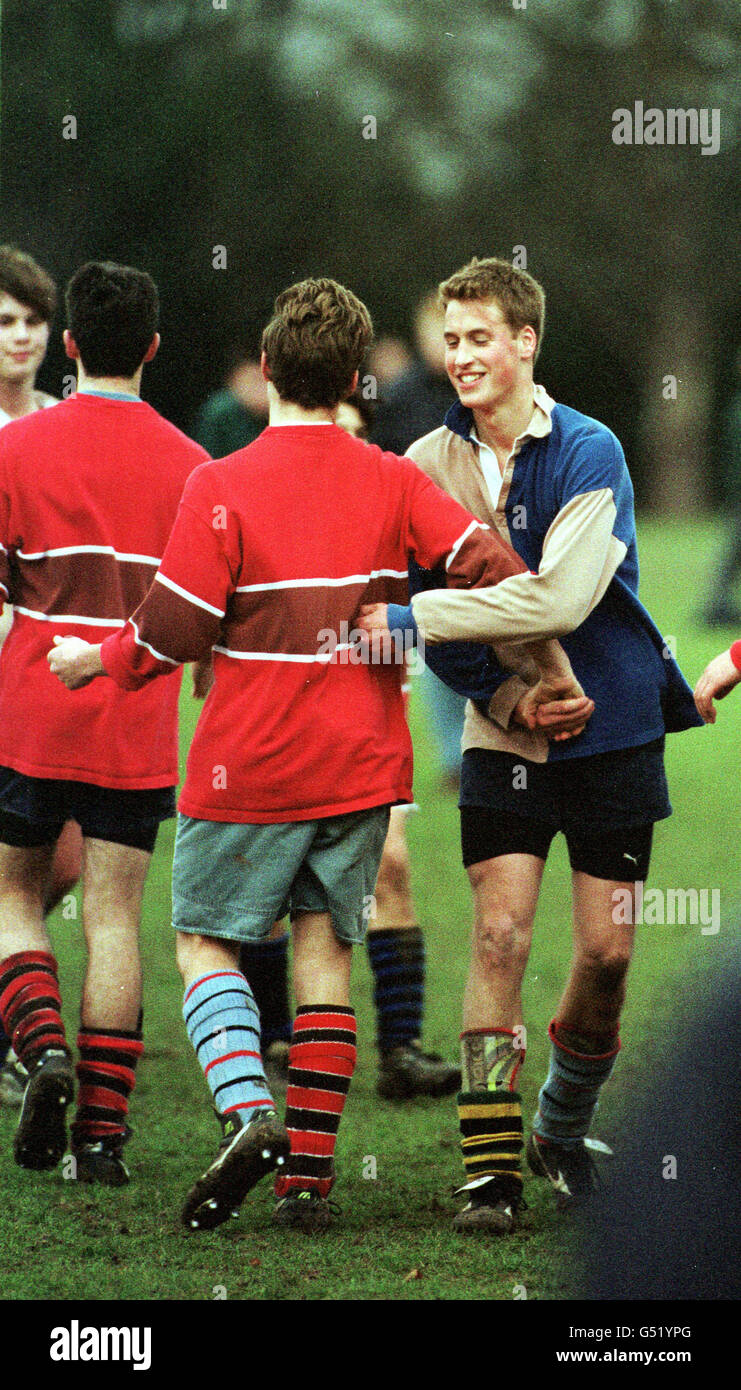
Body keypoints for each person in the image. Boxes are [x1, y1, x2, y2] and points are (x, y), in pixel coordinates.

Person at [49, 275, 591, 1234]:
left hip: (244, 767)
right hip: (361, 769)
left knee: (204, 943)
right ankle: (306, 1179)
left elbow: (174, 629)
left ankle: (251, 1114)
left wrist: (96, 659)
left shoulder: (218, 484)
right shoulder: (392, 478)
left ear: (265, 372)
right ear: (352, 377)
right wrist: (542, 661)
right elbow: (491, 571)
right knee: (323, 952)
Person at [357, 255, 703, 1235]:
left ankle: (561, 1126)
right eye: (451, 340)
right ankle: (489, 1170)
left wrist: (420, 613)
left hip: (617, 728)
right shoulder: (425, 463)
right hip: (500, 731)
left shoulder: (592, 449)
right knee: (501, 935)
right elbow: (451, 621)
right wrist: (505, 692)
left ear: (525, 343)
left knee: (606, 956)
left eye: (480, 338)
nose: (462, 356)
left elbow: (560, 596)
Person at [0, 260, 208, 1186]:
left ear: (70, 344)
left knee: (11, 900)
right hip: (137, 716)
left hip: (33, 709)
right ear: (154, 349)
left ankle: (42, 1051)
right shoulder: (194, 467)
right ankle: (103, 1142)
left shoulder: (16, 447)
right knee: (115, 919)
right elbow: (196, 615)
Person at [240, 393, 461, 1100]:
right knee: (271, 885)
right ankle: (276, 1037)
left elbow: (430, 612)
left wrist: (398, 624)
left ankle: (400, 1051)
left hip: (366, 719)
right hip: (272, 722)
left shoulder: (391, 500)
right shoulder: (259, 498)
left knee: (389, 865)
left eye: (356, 433)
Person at [0, 246, 82, 1107]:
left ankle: (21, 1026)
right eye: (5, 322)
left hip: (51, 681)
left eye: (33, 321)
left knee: (59, 862)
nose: (21, 337)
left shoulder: (63, 423)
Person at [374, 292, 466, 790]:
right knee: (430, 641)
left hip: (474, 533)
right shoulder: (399, 394)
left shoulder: (473, 390)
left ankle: (490, 745)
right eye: (438, 332)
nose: (445, 345)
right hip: (417, 541)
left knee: (485, 635)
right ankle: (454, 756)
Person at [193, 354, 268, 457]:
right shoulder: (220, 410)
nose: (259, 390)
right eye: (253, 380)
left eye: (262, 381)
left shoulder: (282, 407)